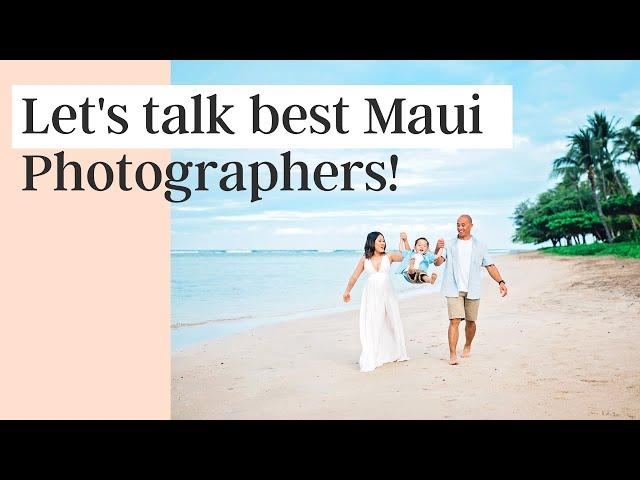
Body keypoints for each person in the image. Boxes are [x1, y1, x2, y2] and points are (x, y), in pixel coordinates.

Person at [433, 215, 508, 365]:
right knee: (454, 320)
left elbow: (490, 266)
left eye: (463, 225)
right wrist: (437, 248)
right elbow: (437, 262)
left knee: (471, 322)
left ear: (471, 226)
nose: (460, 228)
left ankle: (467, 345)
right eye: (458, 225)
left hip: (473, 289)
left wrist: (500, 281)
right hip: (453, 288)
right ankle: (453, 354)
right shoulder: (449, 244)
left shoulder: (480, 246)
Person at [342, 232, 409, 372]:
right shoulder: (364, 259)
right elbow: (354, 276)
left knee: (392, 320)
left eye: (383, 241)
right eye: (380, 241)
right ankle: (374, 353)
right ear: (372, 242)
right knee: (373, 323)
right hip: (371, 295)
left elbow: (406, 256)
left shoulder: (389, 256)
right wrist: (347, 291)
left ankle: (396, 351)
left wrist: (404, 240)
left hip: (387, 293)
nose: (383, 243)